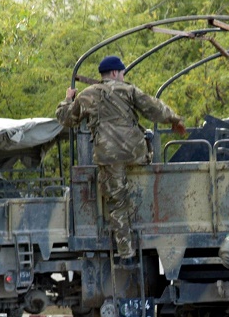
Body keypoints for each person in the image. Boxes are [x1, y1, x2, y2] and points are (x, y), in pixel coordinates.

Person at [56, 55, 187, 266]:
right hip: (135, 152)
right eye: (123, 74)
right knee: (148, 144)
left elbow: (66, 119)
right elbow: (153, 107)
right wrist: (175, 119)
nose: (124, 77)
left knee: (117, 203)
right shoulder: (128, 90)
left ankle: (126, 254)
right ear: (116, 73)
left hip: (109, 156)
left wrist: (68, 99)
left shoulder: (87, 95)